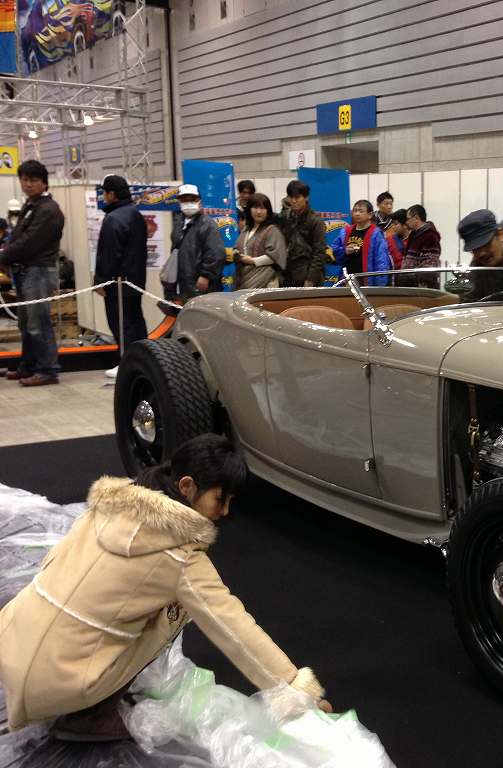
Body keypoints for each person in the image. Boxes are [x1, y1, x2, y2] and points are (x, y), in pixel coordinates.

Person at [0, 434, 331, 740]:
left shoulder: (111, 506)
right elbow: (234, 627)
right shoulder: (180, 558)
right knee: (177, 610)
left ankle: (85, 686)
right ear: (186, 485)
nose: (225, 511)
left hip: (13, 640)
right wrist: (295, 692)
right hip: (62, 681)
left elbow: (53, 562)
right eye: (220, 499)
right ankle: (89, 716)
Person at [0, 161, 64, 387]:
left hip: (39, 271)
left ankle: (47, 370)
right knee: (26, 323)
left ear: (44, 182)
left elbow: (30, 242)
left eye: (33, 180)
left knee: (38, 322)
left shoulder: (48, 210)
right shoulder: (32, 205)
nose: (28, 184)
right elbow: (17, 237)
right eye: (24, 180)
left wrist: (4, 256)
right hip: (26, 270)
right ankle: (28, 366)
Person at [93, 174, 148, 380]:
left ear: (112, 194)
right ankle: (144, 362)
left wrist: (100, 280)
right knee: (136, 321)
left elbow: (109, 253)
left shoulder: (114, 218)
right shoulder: (136, 214)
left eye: (105, 193)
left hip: (117, 282)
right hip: (135, 280)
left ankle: (126, 364)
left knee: (121, 323)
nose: (104, 197)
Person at [163, 184, 225, 305]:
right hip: (182, 282)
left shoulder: (207, 224)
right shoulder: (178, 223)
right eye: (184, 200)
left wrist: (206, 275)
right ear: (179, 202)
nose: (188, 203)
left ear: (199, 201)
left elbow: (216, 253)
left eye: (192, 199)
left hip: (200, 283)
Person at [330, 199, 391, 287]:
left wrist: (379, 286)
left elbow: (382, 262)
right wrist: (345, 251)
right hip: (348, 280)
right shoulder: (346, 231)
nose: (357, 214)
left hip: (367, 282)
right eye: (355, 211)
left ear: (370, 215)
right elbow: (334, 249)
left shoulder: (376, 234)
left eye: (361, 211)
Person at [279, 179, 327, 288]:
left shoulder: (316, 221)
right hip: (288, 275)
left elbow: (319, 253)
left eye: (297, 197)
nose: (293, 201)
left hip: (308, 277)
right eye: (291, 197)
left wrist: (310, 279)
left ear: (306, 198)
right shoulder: (286, 217)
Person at [235, 192, 287, 289]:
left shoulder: (272, 230)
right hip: (245, 280)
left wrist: (252, 261)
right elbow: (238, 248)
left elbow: (276, 256)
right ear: (249, 209)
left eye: (263, 208)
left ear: (268, 211)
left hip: (266, 282)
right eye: (255, 208)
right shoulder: (246, 230)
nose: (259, 212)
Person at [397, 204, 441, 288]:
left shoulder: (430, 236)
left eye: (408, 218)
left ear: (416, 218)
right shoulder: (414, 235)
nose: (406, 222)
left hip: (422, 287)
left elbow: (429, 265)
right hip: (410, 286)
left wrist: (413, 279)